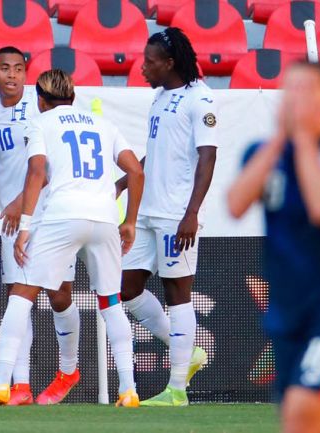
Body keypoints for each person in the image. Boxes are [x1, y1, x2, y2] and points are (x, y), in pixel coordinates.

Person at [0, 69, 144, 407]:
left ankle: (3, 382)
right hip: (104, 217)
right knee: (110, 302)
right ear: (73, 95)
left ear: (40, 99)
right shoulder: (102, 123)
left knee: (22, 292)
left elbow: (37, 171)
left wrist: (25, 227)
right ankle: (129, 389)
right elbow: (136, 171)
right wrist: (131, 221)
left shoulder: (41, 123)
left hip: (63, 215)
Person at [228, 61, 320, 433]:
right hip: (283, 307)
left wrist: (305, 137)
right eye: (289, 89)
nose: (296, 99)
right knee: (318, 417)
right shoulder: (263, 152)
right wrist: (281, 137)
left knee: (301, 409)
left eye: (306, 90)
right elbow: (236, 204)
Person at [115, 27, 215, 407]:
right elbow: (155, 153)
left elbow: (208, 158)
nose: (143, 68)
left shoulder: (200, 98)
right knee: (127, 287)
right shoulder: (159, 98)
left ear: (170, 63)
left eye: (150, 62)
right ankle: (189, 355)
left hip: (176, 215)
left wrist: (191, 213)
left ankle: (177, 390)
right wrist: (124, 182)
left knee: (178, 295)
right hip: (146, 212)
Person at [0, 47, 81, 405]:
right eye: (4, 69)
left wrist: (18, 203)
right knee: (19, 296)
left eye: (17, 69)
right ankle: (21, 386)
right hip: (15, 223)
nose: (11, 75)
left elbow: (46, 166)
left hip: (50, 214)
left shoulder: (42, 107)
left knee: (60, 297)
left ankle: (68, 369)